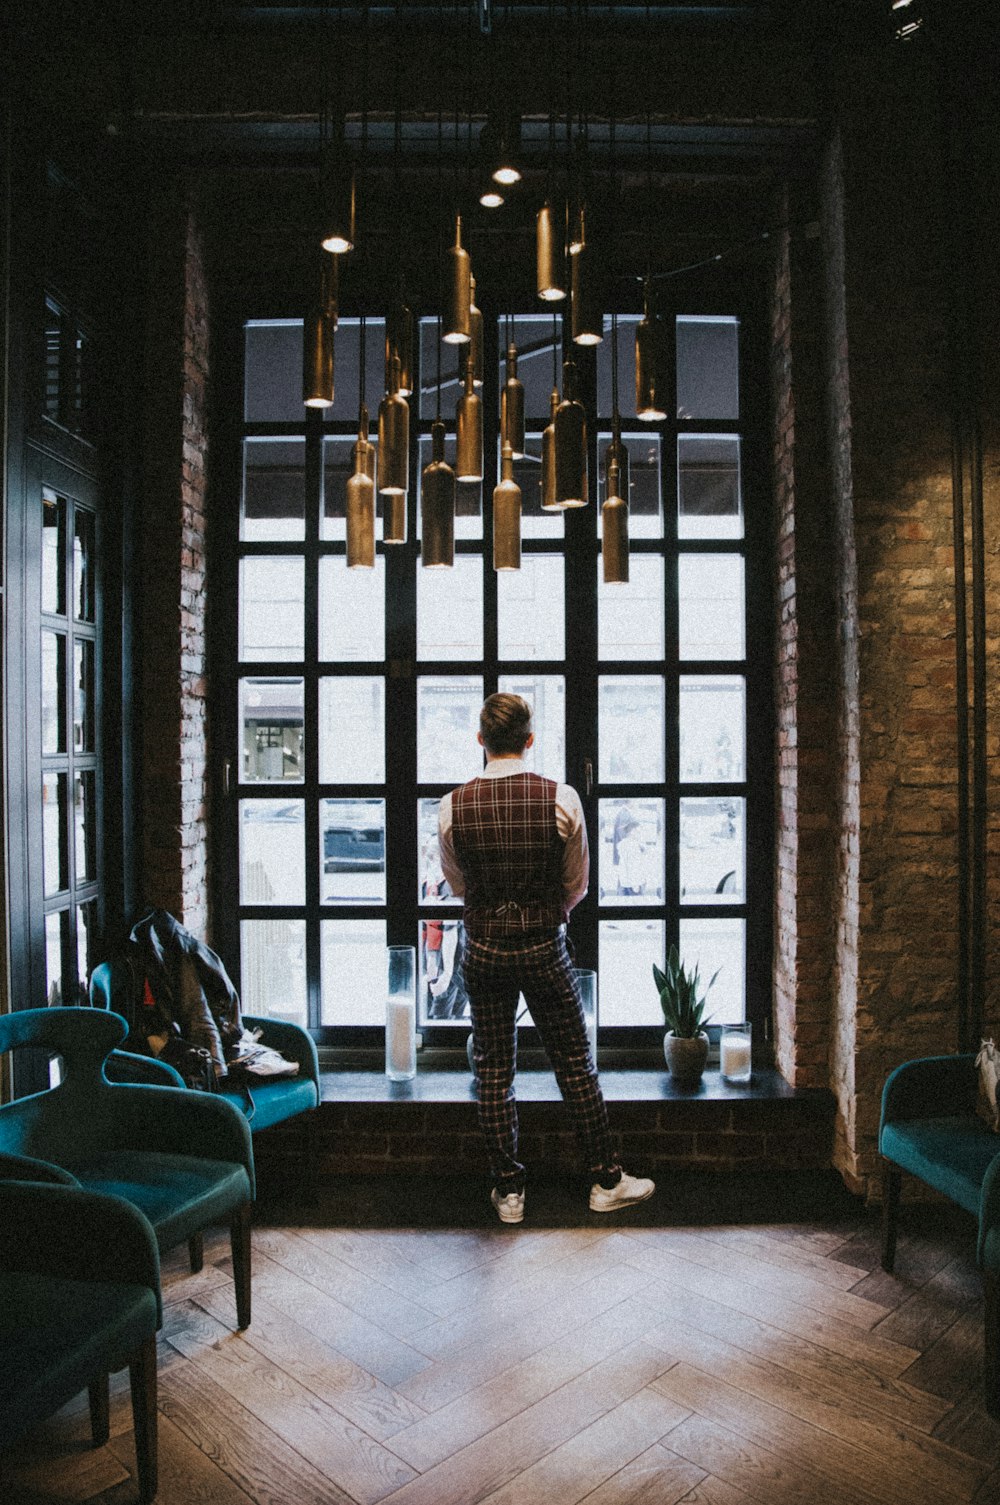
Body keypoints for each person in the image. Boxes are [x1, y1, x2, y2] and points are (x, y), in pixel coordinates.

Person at [438, 692, 655, 1225]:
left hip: (483, 949)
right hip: (543, 945)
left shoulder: (452, 806)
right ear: (529, 740)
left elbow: (458, 884)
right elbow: (575, 885)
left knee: (494, 1069)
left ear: (481, 741)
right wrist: (542, 911)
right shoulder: (561, 799)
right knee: (575, 1063)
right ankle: (605, 1180)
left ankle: (509, 1191)